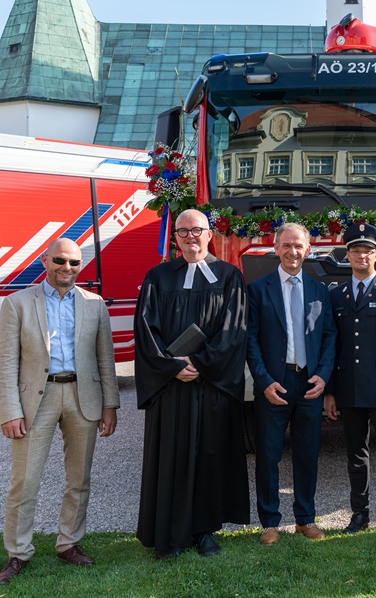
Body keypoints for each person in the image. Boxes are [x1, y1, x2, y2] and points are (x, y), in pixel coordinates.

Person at [0, 238, 119, 585]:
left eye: (74, 263)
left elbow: (106, 359)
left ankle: (69, 544)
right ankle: (18, 552)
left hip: (84, 397)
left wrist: (110, 404)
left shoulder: (94, 304)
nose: (67, 268)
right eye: (60, 260)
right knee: (24, 481)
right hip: (36, 399)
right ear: (44, 261)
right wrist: (9, 410)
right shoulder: (17, 303)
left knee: (79, 479)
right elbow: (6, 361)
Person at [134, 209, 250, 560]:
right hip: (170, 389)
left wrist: (199, 363)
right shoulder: (157, 277)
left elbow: (234, 330)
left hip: (209, 387)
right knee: (170, 458)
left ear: (209, 233)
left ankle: (204, 532)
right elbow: (145, 331)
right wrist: (171, 367)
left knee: (208, 457)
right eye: (183, 231)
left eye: (196, 230)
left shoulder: (229, 277)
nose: (190, 236)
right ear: (175, 237)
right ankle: (168, 536)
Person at [247, 222, 337, 545]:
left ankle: (305, 518)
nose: (292, 252)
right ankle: (270, 522)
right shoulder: (258, 290)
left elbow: (329, 336)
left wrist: (324, 375)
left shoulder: (318, 290)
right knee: (269, 455)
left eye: (298, 246)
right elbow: (251, 340)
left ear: (308, 250)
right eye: (286, 245)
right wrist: (264, 380)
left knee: (307, 453)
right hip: (275, 382)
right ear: (276, 248)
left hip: (310, 382)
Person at [324, 223, 376, 534]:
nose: (362, 255)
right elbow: (332, 346)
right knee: (355, 454)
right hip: (349, 388)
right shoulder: (337, 295)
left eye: (368, 251)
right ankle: (359, 514)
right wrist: (330, 391)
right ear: (347, 255)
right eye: (356, 250)